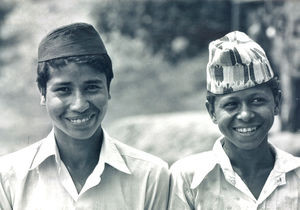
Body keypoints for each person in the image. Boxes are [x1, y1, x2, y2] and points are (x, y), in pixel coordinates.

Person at [0, 22, 169, 210]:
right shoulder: (7, 177)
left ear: (108, 89)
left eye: (91, 87)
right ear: (42, 92)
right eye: (64, 90)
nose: (79, 105)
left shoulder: (150, 175)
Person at [168, 31, 300, 209]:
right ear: (212, 111)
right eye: (231, 105)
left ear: (276, 103)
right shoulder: (187, 180)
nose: (245, 115)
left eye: (257, 100)